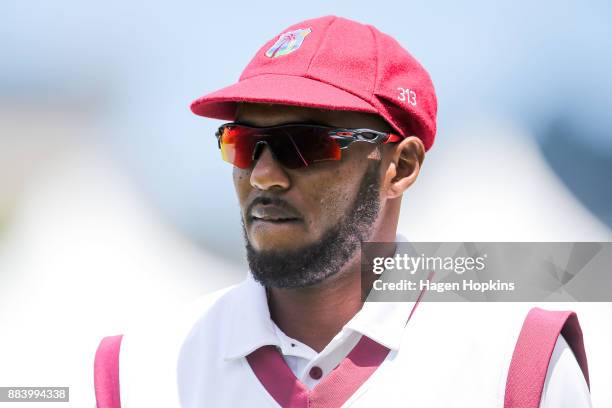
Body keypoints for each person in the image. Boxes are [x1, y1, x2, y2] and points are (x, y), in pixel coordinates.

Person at [93, 15, 592, 407]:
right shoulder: (141, 369)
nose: (264, 175)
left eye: (304, 144)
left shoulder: (519, 363)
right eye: (245, 145)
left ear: (401, 166)